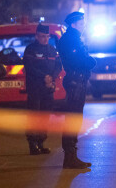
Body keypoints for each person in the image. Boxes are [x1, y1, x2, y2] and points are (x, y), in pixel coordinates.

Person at [57, 11, 97, 169]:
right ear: (73, 24)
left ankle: (72, 156)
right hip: (75, 81)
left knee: (75, 119)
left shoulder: (74, 39)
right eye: (81, 23)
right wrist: (90, 61)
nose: (84, 25)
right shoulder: (70, 40)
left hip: (78, 80)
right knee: (73, 120)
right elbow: (79, 59)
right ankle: (70, 157)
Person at [23, 23, 63, 155]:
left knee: (45, 116)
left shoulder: (52, 50)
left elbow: (58, 65)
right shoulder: (30, 49)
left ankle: (41, 142)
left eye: (46, 36)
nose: (44, 39)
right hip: (35, 88)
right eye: (41, 36)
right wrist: (44, 77)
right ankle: (33, 144)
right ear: (36, 36)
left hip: (48, 89)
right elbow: (29, 67)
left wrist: (52, 77)